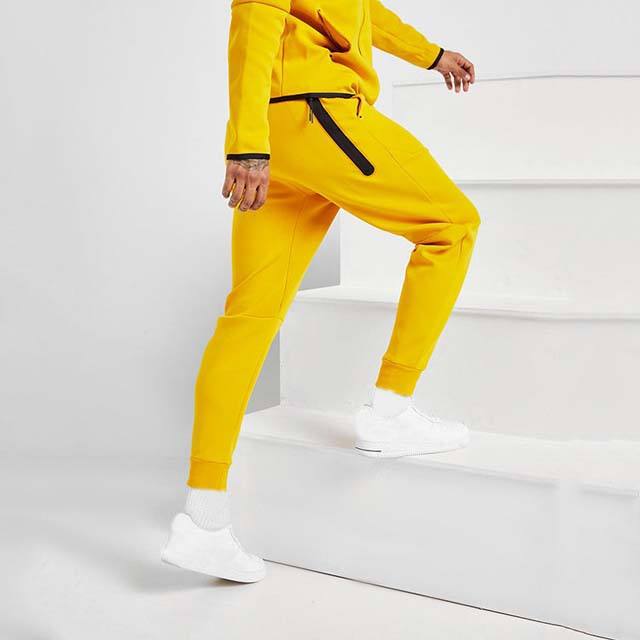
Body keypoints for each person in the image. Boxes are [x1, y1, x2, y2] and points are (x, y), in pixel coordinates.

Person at [161, 0, 480, 583]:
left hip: (286, 132)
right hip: (318, 113)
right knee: (453, 227)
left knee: (249, 316)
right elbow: (255, 16)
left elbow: (362, 11)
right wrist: (245, 143)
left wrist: (431, 55)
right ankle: (391, 409)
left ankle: (204, 522)